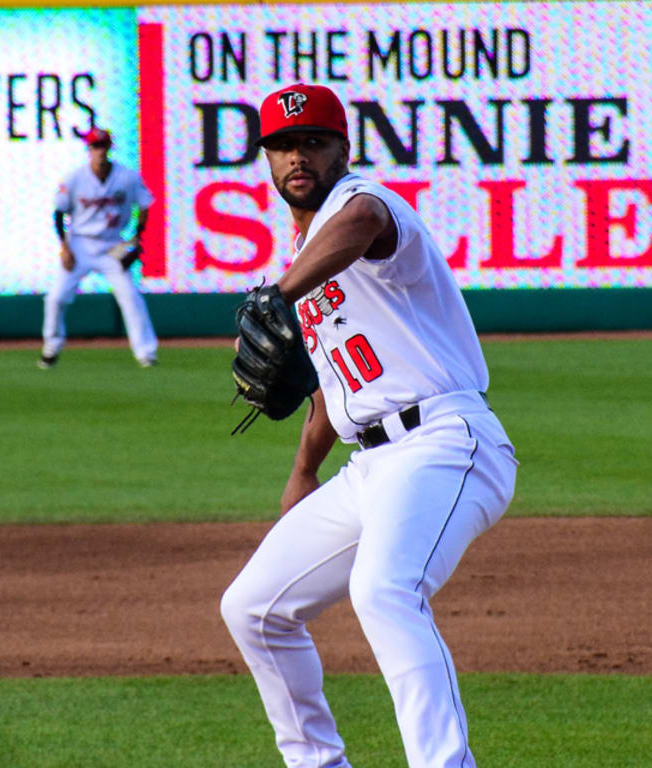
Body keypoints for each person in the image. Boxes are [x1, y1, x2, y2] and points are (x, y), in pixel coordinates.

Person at [218, 83, 518, 768]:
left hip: (447, 441)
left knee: (383, 589)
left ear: (342, 148)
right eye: (284, 145)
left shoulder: (367, 208)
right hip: (371, 465)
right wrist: (303, 471)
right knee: (254, 610)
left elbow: (360, 222)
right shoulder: (293, 258)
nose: (300, 157)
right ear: (267, 159)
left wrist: (279, 294)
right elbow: (330, 379)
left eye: (314, 142)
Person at [40, 127, 159, 368]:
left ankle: (146, 352)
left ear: (109, 148)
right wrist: (64, 247)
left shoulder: (127, 177)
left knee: (131, 297)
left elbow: (145, 205)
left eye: (103, 146)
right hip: (80, 244)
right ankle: (51, 348)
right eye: (95, 146)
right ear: (89, 149)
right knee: (56, 298)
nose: (99, 151)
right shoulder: (75, 178)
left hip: (112, 244)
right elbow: (58, 212)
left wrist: (136, 238)